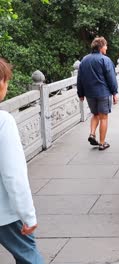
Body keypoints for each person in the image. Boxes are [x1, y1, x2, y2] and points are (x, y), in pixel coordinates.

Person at [0, 58, 44, 263]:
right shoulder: (3, 121)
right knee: (29, 256)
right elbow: (13, 175)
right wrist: (28, 215)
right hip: (4, 213)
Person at [77, 36, 118, 151]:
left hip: (90, 93)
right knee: (104, 117)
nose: (106, 48)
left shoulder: (84, 60)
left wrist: (80, 93)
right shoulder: (105, 60)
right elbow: (111, 78)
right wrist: (114, 92)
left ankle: (92, 134)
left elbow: (80, 78)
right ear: (101, 47)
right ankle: (102, 143)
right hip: (103, 93)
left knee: (95, 114)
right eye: (105, 46)